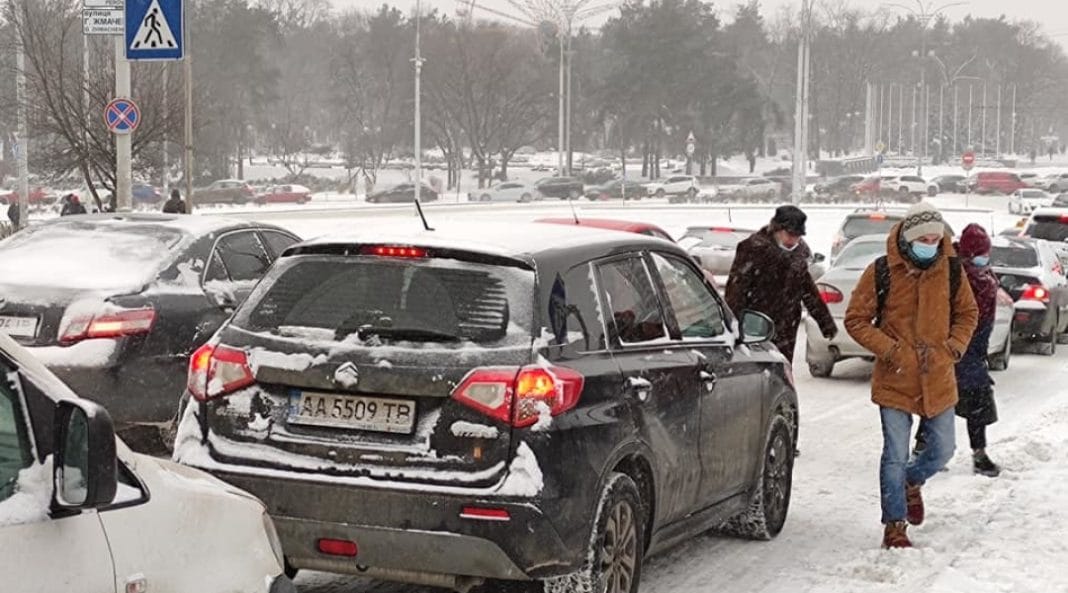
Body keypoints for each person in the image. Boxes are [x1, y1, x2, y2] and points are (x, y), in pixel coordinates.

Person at [844, 202, 978, 549]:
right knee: (894, 453)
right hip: (896, 377)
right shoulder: (882, 271)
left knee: (943, 450)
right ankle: (894, 524)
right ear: (909, 238)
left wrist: (953, 348)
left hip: (938, 375)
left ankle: (911, 481)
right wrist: (892, 350)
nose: (931, 244)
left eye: (937, 238)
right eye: (925, 239)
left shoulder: (951, 270)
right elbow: (856, 319)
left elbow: (967, 312)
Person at [726, 205, 837, 363]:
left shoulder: (799, 254)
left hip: (787, 327)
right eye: (790, 235)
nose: (793, 240)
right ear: (776, 229)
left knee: (783, 371)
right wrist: (734, 327)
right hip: (757, 325)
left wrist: (825, 322)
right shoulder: (753, 249)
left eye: (798, 236)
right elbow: (736, 290)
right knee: (760, 372)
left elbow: (807, 288)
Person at [951, 224, 1001, 477]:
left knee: (955, 402)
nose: (985, 257)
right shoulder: (957, 275)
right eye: (981, 252)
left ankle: (923, 448)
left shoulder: (981, 273)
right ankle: (978, 455)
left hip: (974, 348)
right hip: (959, 347)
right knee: (964, 400)